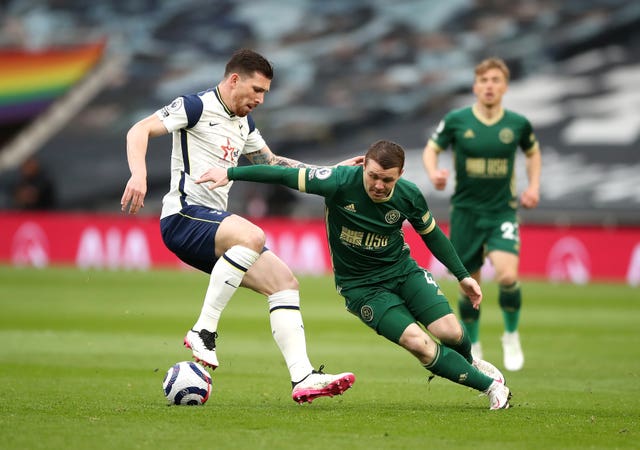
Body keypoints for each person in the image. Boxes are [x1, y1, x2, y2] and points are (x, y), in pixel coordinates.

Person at [197, 140, 512, 410]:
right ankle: (492, 388)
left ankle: (469, 362)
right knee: (419, 344)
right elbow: (282, 174)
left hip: (404, 272)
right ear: (363, 168)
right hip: (362, 289)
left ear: (400, 175)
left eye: (386, 180)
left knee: (450, 332)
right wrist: (230, 173)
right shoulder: (338, 181)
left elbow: (431, 235)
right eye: (373, 176)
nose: (377, 185)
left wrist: (461, 275)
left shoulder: (409, 195)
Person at [120, 48, 356, 404]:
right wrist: (138, 174)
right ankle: (204, 329)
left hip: (213, 229)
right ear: (234, 80)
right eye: (257, 90)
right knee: (253, 235)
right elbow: (139, 130)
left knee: (284, 282)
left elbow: (273, 163)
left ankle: (303, 378)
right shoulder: (195, 106)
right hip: (184, 216)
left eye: (264, 93)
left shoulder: (244, 123)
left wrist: (330, 172)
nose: (260, 99)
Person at [422, 57, 542, 371]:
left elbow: (532, 152)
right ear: (476, 86)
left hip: (502, 211)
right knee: (469, 285)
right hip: (465, 214)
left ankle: (511, 334)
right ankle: (473, 344)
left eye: (496, 80)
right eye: (484, 80)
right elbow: (431, 149)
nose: (490, 85)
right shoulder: (457, 120)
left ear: (504, 86)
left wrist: (534, 186)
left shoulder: (517, 124)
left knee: (507, 276)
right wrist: (434, 173)